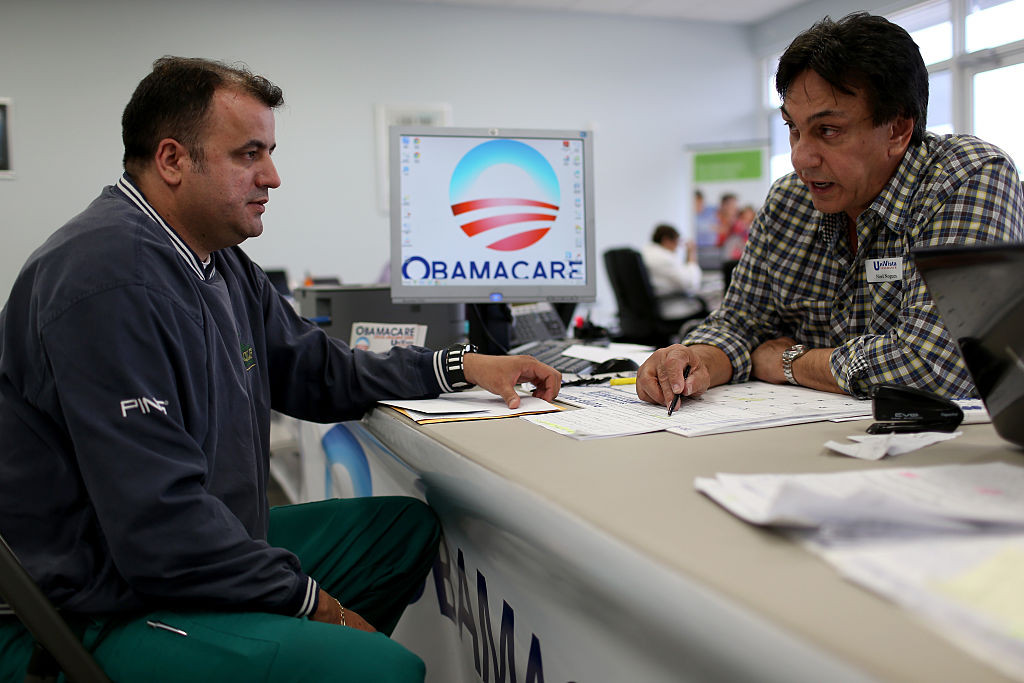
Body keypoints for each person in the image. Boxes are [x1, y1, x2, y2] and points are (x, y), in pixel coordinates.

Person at [0, 57, 561, 682]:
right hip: (92, 602)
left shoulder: (216, 261)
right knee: (380, 669)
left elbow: (319, 370)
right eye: (248, 154)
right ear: (172, 160)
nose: (272, 176)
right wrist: (319, 608)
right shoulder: (107, 279)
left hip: (178, 550)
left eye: (269, 152)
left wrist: (459, 365)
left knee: (399, 532)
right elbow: (158, 526)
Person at [637, 12, 1024, 410]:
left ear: (897, 130)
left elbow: (941, 365)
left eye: (828, 131)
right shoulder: (790, 199)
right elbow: (740, 324)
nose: (800, 158)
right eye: (793, 128)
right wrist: (693, 359)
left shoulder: (965, 177)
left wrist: (790, 362)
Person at [640, 223, 704, 320]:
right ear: (666, 240)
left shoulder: (647, 253)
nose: (677, 248)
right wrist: (691, 254)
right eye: (676, 242)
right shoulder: (662, 258)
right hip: (671, 309)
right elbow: (691, 284)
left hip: (654, 308)